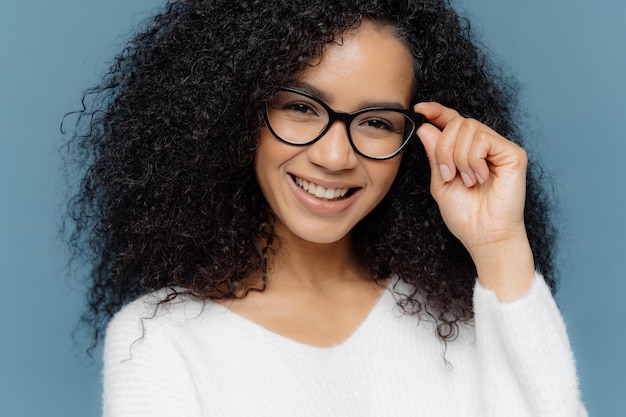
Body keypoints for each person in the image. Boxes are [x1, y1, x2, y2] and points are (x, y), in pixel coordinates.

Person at [64, 0, 587, 415]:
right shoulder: (160, 339)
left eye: (377, 121)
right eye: (299, 107)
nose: (334, 156)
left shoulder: (458, 316)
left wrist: (499, 247)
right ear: (234, 111)